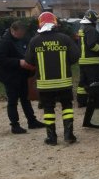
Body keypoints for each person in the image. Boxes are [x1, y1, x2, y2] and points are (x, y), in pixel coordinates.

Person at [25, 12, 80, 145]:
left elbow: (29, 60)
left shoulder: (35, 41)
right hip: (64, 83)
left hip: (45, 85)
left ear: (40, 24)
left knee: (48, 109)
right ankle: (68, 135)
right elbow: (75, 56)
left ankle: (52, 138)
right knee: (67, 107)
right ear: (55, 24)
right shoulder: (65, 39)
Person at [0, 21, 45, 134]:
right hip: (10, 77)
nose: (21, 35)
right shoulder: (4, 42)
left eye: (23, 33)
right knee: (13, 101)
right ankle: (15, 125)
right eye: (19, 33)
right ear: (12, 30)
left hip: (23, 74)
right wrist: (19, 62)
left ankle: (32, 121)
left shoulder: (24, 38)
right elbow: (0, 60)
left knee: (26, 99)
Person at [76, 9, 99, 107]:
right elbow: (91, 44)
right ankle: (94, 102)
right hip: (92, 61)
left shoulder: (82, 28)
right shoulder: (91, 29)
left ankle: (81, 101)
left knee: (83, 82)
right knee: (93, 82)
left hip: (83, 61)